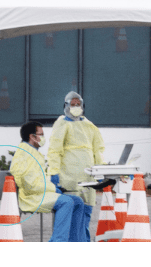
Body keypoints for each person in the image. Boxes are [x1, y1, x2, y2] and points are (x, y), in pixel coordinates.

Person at [10, 121, 85, 242]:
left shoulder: (32, 152)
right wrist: (53, 188)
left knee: (78, 202)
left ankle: (75, 241)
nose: (43, 138)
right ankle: (58, 241)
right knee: (67, 202)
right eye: (41, 134)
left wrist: (53, 186)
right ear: (32, 136)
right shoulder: (24, 154)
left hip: (39, 193)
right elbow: (30, 184)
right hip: (31, 197)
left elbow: (37, 179)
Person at [47, 92, 105, 242]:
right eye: (72, 105)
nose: (75, 107)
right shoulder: (62, 123)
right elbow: (54, 150)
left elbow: (98, 150)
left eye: (77, 104)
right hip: (69, 179)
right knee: (69, 217)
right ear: (65, 106)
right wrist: (54, 172)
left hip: (88, 179)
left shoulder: (90, 125)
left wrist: (102, 170)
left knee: (85, 216)